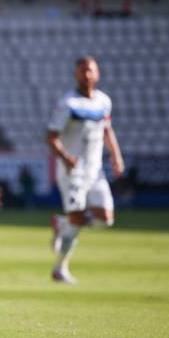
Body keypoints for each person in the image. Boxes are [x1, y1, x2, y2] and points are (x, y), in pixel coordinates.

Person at [47, 56, 124, 284]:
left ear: (97, 74)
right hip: (73, 172)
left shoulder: (103, 101)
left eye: (90, 70)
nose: (86, 74)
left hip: (95, 170)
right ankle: (60, 269)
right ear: (76, 75)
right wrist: (65, 158)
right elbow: (50, 137)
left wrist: (116, 156)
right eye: (82, 71)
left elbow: (106, 129)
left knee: (105, 218)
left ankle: (63, 223)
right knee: (78, 220)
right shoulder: (68, 104)